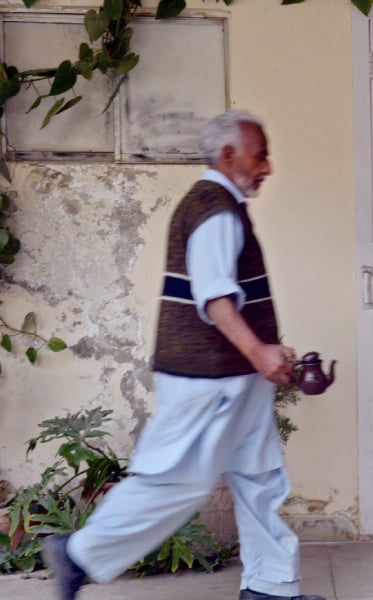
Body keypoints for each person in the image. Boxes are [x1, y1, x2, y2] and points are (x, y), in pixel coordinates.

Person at [43, 110, 326, 600]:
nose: (267, 167)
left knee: (259, 477)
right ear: (228, 154)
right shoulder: (214, 210)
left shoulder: (221, 206)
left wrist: (262, 353)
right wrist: (259, 351)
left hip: (233, 379)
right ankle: (78, 554)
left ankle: (271, 587)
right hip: (210, 379)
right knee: (177, 482)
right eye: (260, 156)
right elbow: (215, 298)